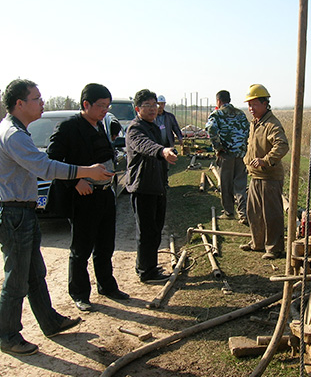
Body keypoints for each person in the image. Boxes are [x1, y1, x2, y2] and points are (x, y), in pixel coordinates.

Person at [0, 79, 114, 355]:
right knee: (16, 279)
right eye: (37, 99)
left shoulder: (18, 131)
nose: (41, 103)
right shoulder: (13, 135)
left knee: (35, 273)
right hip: (14, 212)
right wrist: (85, 172)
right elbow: (44, 166)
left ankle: (49, 321)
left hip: (23, 211)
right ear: (19, 104)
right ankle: (7, 335)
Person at [47, 83, 129, 312]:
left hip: (104, 195)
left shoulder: (100, 125)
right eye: (101, 106)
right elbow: (53, 160)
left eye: (107, 106)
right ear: (86, 104)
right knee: (81, 249)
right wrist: (75, 181)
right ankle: (80, 294)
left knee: (105, 245)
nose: (105, 110)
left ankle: (107, 286)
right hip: (84, 197)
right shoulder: (69, 127)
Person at [126, 89, 178, 283]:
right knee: (146, 231)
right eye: (147, 106)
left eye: (155, 105)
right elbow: (144, 145)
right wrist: (162, 150)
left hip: (157, 186)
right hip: (143, 187)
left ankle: (149, 265)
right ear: (138, 108)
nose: (153, 109)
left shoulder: (154, 126)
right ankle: (145, 272)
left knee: (156, 229)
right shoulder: (135, 128)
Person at [240, 84, 289, 260]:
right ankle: (257, 243)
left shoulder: (271, 124)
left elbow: (282, 145)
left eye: (254, 104)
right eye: (249, 105)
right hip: (256, 176)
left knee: (272, 214)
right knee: (254, 212)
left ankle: (274, 249)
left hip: (270, 176)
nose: (251, 108)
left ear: (265, 103)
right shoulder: (256, 123)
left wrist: (265, 161)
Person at [206, 90, 250, 224]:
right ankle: (243, 213)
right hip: (241, 154)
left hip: (226, 154)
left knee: (225, 184)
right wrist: (242, 145)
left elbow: (211, 129)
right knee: (240, 184)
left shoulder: (217, 114)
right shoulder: (240, 113)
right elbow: (248, 129)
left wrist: (218, 147)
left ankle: (228, 211)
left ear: (218, 101)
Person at [155, 95, 183, 188]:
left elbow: (175, 127)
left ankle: (165, 183)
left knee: (165, 165)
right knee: (156, 165)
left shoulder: (169, 116)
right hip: (156, 145)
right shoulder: (152, 117)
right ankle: (158, 183)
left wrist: (180, 138)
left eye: (162, 104)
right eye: (158, 104)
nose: (160, 106)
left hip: (167, 144)